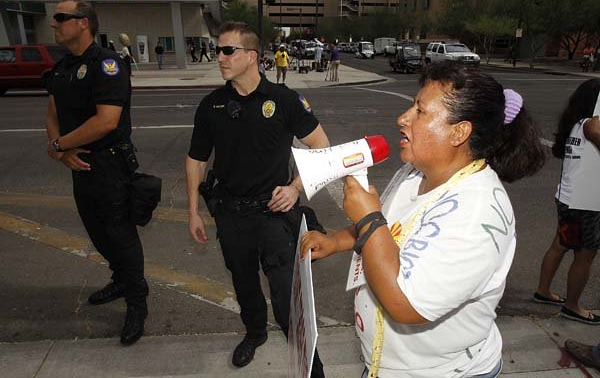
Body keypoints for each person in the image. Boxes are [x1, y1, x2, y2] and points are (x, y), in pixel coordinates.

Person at [301, 62, 545, 377]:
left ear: (460, 132)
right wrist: (336, 241)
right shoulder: (416, 171)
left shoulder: (477, 213)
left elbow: (406, 305)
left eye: (420, 111)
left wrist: (369, 218)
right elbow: (390, 228)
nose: (402, 118)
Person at [185, 21, 330, 376]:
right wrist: (193, 211)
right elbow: (196, 160)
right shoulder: (211, 105)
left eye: (227, 50)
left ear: (252, 57)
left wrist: (295, 188)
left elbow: (321, 147)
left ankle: (313, 366)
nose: (219, 57)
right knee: (243, 283)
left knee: (286, 300)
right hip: (231, 216)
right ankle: (254, 333)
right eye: (218, 50)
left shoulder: (283, 100)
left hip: (274, 217)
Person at [45, 0, 149, 345]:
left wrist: (60, 147)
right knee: (97, 234)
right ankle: (121, 280)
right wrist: (63, 152)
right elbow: (52, 114)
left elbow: (106, 121)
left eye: (61, 17)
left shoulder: (107, 64)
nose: (54, 23)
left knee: (121, 236)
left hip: (109, 165)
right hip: (79, 165)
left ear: (84, 23)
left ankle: (137, 304)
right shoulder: (63, 68)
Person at [534, 79, 600, 324]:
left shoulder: (576, 124)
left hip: (569, 198)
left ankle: (543, 291)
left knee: (560, 245)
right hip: (585, 204)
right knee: (585, 256)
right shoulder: (591, 125)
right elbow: (595, 131)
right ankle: (572, 306)